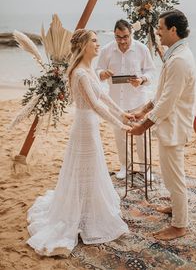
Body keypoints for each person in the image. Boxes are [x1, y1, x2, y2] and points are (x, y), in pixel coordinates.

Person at [26, 29, 133, 257]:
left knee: (90, 169)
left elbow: (104, 97)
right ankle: (82, 214)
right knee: (87, 168)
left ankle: (86, 208)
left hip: (90, 126)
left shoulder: (89, 70)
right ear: (84, 46)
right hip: (85, 127)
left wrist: (123, 113)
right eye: (94, 41)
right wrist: (119, 124)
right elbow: (95, 105)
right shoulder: (81, 74)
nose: (98, 44)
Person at [130, 10, 196, 241]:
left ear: (173, 30)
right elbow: (163, 92)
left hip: (174, 126)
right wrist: (144, 109)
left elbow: (168, 102)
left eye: (160, 28)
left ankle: (179, 225)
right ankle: (176, 209)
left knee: (174, 176)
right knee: (170, 174)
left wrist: (142, 126)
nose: (157, 32)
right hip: (170, 124)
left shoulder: (179, 60)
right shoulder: (176, 55)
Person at [96, 19, 156, 180]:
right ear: (114, 34)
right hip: (116, 103)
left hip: (138, 102)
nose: (122, 41)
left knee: (141, 137)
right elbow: (97, 70)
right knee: (119, 136)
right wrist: (103, 74)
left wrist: (142, 79)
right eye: (118, 37)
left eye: (125, 37)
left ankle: (146, 168)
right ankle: (125, 166)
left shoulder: (142, 49)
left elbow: (151, 72)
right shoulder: (107, 50)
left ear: (131, 33)